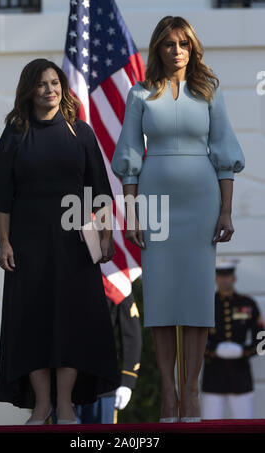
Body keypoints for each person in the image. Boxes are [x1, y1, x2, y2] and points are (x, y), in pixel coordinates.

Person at [110, 16, 245, 422]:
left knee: (198, 300)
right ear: (158, 49)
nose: (176, 50)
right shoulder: (139, 94)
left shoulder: (209, 90)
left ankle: (191, 393)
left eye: (183, 43)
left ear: (192, 48)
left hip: (202, 202)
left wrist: (226, 210)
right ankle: (169, 395)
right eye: (168, 43)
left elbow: (224, 154)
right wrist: (132, 214)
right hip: (154, 204)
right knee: (164, 300)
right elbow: (130, 160)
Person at [0, 58, 121, 425]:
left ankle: (66, 405)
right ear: (30, 90)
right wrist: (4, 242)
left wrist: (106, 237)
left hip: (76, 245)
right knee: (32, 324)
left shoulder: (82, 132)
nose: (50, 89)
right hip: (28, 247)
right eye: (42, 84)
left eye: (55, 83)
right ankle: (41, 405)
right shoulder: (15, 131)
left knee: (71, 323)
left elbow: (101, 193)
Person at [201, 258, 264, 419]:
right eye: (220, 275)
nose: (224, 279)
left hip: (241, 377)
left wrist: (244, 351)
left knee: (245, 427)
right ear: (215, 278)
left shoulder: (247, 303)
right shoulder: (206, 303)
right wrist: (212, 351)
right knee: (210, 427)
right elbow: (195, 339)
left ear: (234, 277)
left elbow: (262, 341)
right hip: (213, 378)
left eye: (227, 275)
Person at [74, 291, 142, 424]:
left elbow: (131, 333)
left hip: (102, 383)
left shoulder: (112, 280)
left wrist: (127, 380)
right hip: (64, 384)